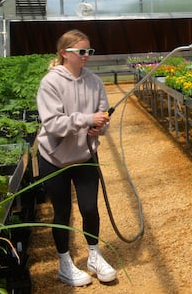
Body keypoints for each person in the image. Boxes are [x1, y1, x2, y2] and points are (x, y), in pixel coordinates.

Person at [35, 29, 117, 286]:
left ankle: (94, 255)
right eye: (81, 51)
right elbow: (53, 124)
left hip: (84, 155)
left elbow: (102, 116)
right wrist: (86, 120)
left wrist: (99, 127)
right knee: (62, 212)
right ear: (64, 53)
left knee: (90, 208)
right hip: (54, 157)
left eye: (89, 51)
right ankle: (64, 263)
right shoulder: (50, 83)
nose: (86, 56)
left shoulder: (94, 82)